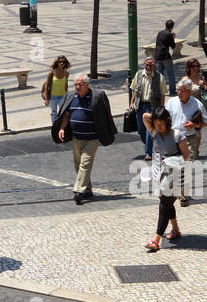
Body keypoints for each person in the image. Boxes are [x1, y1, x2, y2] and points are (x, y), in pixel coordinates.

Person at [54, 73, 116, 205]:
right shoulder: (71, 96)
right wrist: (62, 128)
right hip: (76, 137)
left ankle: (79, 190)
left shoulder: (96, 96)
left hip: (92, 138)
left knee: (85, 163)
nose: (77, 87)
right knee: (78, 165)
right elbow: (66, 114)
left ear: (87, 85)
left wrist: (105, 131)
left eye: (80, 84)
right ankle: (87, 189)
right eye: (76, 84)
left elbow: (106, 115)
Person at [143, 106, 190, 252]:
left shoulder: (177, 135)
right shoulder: (154, 133)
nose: (158, 126)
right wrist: (156, 115)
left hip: (175, 175)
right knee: (167, 204)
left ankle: (156, 240)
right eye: (156, 123)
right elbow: (145, 117)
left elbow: (186, 155)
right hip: (159, 175)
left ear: (167, 121)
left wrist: (173, 163)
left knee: (164, 204)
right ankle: (175, 229)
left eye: (161, 123)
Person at [164, 77, 205, 206]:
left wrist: (193, 124)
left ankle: (184, 195)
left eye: (182, 90)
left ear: (189, 91)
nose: (179, 93)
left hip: (189, 139)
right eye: (178, 90)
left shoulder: (197, 104)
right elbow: (165, 119)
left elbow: (205, 122)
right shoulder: (171, 102)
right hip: (174, 139)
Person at [129, 57, 167, 162]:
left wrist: (161, 108)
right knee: (141, 130)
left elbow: (163, 94)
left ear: (154, 66)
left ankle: (148, 153)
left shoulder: (160, 77)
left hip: (152, 107)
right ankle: (151, 145)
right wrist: (132, 103)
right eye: (146, 64)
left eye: (150, 65)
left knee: (148, 130)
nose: (148, 67)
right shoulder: (139, 74)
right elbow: (134, 90)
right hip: (140, 106)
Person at [41, 55, 72, 128]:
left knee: (63, 112)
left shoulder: (66, 74)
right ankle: (54, 127)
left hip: (62, 96)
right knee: (54, 112)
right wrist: (46, 98)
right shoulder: (51, 73)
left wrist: (66, 95)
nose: (62, 63)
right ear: (57, 63)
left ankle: (62, 126)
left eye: (64, 62)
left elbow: (66, 85)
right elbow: (46, 85)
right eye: (60, 62)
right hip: (52, 96)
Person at [154, 19, 178, 95]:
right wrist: (173, 37)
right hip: (165, 56)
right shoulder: (170, 34)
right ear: (172, 27)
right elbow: (173, 46)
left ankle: (158, 91)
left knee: (159, 75)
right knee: (170, 74)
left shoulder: (160, 33)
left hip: (158, 56)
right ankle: (172, 91)